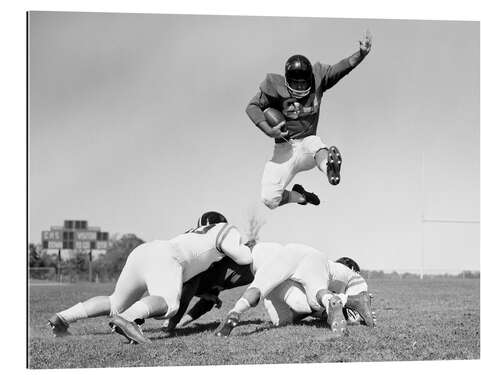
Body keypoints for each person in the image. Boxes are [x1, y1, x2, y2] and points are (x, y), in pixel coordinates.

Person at [47, 211, 252, 344]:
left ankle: (63, 317)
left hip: (144, 251)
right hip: (167, 257)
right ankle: (128, 319)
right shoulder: (225, 229)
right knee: (169, 304)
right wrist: (247, 248)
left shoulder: (191, 234)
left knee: (114, 302)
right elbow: (244, 257)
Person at [246, 31, 372, 209]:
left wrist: (360, 54)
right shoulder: (275, 86)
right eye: (295, 83)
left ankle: (329, 166)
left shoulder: (318, 77)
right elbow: (252, 106)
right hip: (284, 148)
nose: (300, 87)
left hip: (306, 143)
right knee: (269, 199)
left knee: (315, 144)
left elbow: (341, 67)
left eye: (303, 83)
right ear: (287, 80)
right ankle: (300, 196)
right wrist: (268, 129)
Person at [214, 242, 372, 338]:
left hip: (283, 259)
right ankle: (336, 302)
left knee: (260, 291)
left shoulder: (264, 259)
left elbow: (258, 290)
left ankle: (235, 312)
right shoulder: (271, 250)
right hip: (307, 256)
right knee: (310, 300)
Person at [262, 256, 376, 327]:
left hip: (284, 281)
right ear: (351, 269)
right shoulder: (347, 275)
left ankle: (349, 301)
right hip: (304, 275)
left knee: (281, 320)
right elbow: (353, 319)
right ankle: (352, 301)